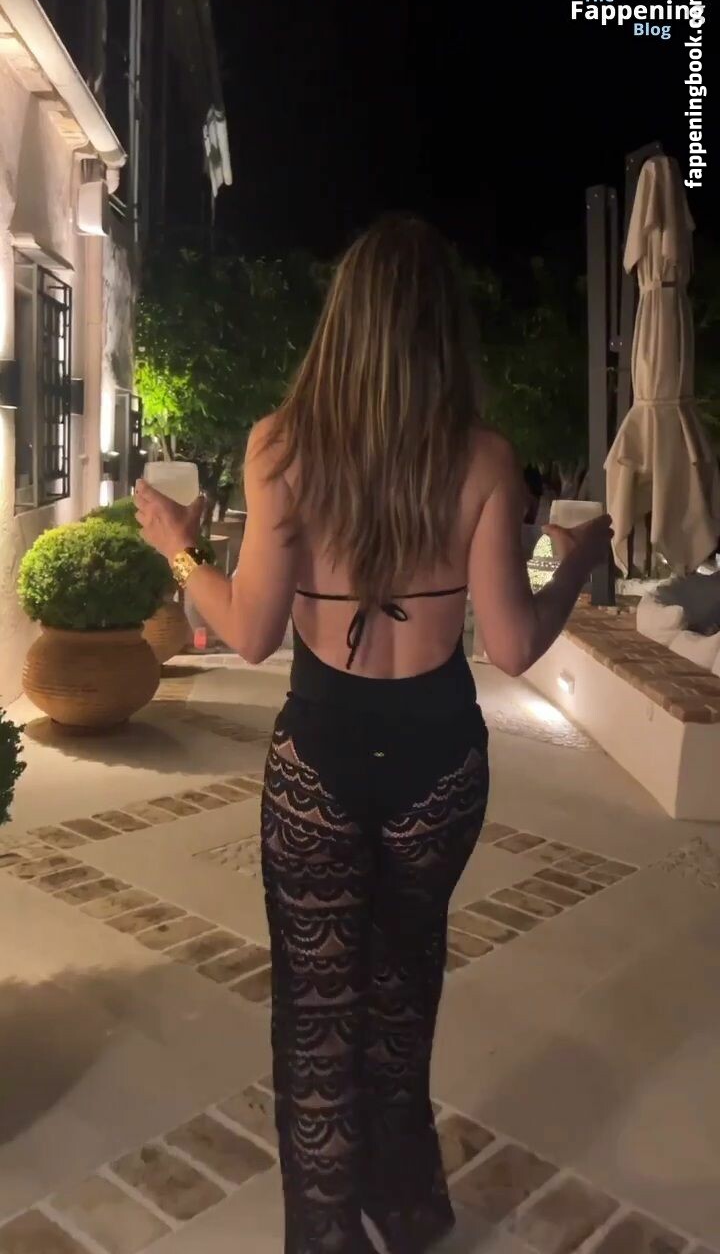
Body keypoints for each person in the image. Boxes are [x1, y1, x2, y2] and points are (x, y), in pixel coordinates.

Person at [136, 215, 612, 1254]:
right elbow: (513, 644)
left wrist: (179, 547)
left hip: (323, 756)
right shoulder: (484, 459)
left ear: (343, 321)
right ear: (444, 331)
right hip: (440, 761)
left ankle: (326, 1232)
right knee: (403, 989)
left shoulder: (281, 447)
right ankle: (405, 1204)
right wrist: (575, 561)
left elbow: (251, 633)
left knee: (318, 1012)